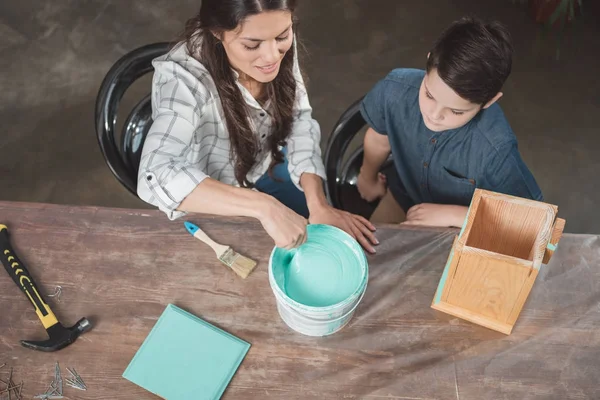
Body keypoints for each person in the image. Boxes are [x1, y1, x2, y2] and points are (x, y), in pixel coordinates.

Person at [137, 0, 378, 252]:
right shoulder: (182, 77)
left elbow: (299, 119)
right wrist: (265, 206)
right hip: (214, 188)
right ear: (217, 32)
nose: (272, 56)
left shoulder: (270, 35)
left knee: (322, 229)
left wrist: (318, 204)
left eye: (283, 36)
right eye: (252, 45)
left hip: (268, 162)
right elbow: (154, 175)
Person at [357, 16, 543, 228]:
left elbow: (534, 222)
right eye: (429, 95)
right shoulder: (394, 90)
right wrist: (367, 177)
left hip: (464, 225)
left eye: (455, 111)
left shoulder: (495, 151)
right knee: (373, 256)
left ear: (489, 101)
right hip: (404, 197)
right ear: (428, 62)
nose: (434, 115)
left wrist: (457, 216)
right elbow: (379, 139)